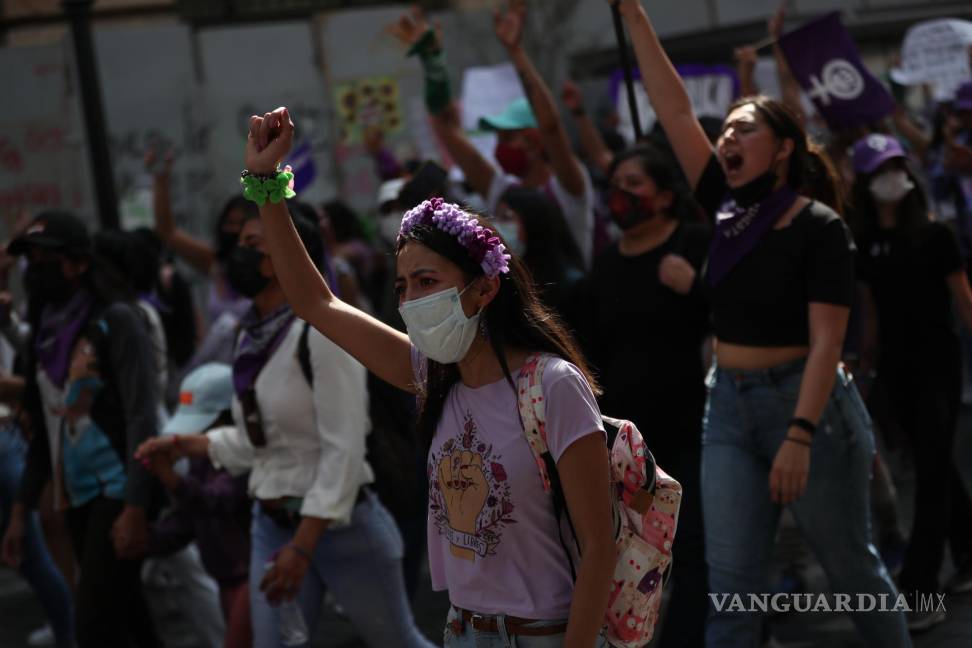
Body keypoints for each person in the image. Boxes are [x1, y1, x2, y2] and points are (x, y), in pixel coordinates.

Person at [235, 107, 616, 648]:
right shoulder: (432, 375)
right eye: (402, 287)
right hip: (463, 631)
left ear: (484, 289)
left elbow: (599, 547)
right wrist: (268, 185)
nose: (411, 301)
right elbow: (315, 302)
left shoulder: (552, 386)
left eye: (427, 281)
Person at [614, 2, 910, 646]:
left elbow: (829, 340)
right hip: (728, 409)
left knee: (851, 568)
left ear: (781, 150)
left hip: (808, 407)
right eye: (724, 133)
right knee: (733, 589)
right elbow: (674, 110)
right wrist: (635, 16)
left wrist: (799, 436)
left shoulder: (818, 227)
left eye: (743, 131)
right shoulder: (722, 207)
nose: (725, 140)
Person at [136, 205, 434, 648]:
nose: (238, 254)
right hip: (271, 525)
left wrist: (303, 545)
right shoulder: (250, 335)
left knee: (398, 641)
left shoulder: (323, 334)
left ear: (289, 254)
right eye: (238, 244)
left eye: (253, 244)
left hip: (343, 529)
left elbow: (344, 451)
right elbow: (254, 440)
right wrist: (184, 445)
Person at [0, 210, 162, 648]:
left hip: (115, 488)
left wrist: (135, 505)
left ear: (79, 263)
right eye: (29, 257)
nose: (35, 267)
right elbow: (41, 428)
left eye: (45, 256)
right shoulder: (43, 337)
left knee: (92, 625)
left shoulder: (117, 320)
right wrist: (21, 512)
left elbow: (141, 416)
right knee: (129, 620)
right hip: (74, 496)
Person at [580, 144, 710, 648]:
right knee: (635, 551)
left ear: (663, 195)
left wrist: (695, 286)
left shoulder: (694, 244)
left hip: (691, 429)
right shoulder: (606, 265)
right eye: (615, 182)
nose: (621, 193)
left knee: (694, 547)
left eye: (634, 182)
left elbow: (737, 315)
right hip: (632, 448)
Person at [849, 133, 972, 629]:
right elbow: (871, 312)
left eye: (896, 166)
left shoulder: (936, 235)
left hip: (938, 366)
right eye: (879, 170)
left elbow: (963, 299)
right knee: (933, 461)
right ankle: (968, 549)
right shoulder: (863, 242)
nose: (891, 177)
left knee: (932, 474)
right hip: (895, 372)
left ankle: (920, 587)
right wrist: (865, 366)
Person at [390, 2, 597, 267]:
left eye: (508, 137)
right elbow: (447, 129)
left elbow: (552, 128)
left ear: (534, 141)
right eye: (497, 138)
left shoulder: (568, 188)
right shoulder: (503, 192)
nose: (499, 147)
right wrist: (433, 65)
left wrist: (516, 51)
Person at [143, 362, 253, 648]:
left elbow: (216, 501)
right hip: (225, 577)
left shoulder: (242, 458)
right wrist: (148, 539)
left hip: (251, 576)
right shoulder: (200, 461)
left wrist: (173, 482)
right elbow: (189, 520)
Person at [493, 186, 586, 320]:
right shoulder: (507, 280)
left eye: (506, 217)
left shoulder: (571, 287)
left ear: (533, 224)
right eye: (496, 217)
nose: (497, 226)